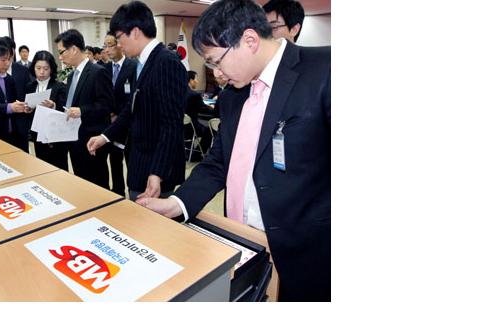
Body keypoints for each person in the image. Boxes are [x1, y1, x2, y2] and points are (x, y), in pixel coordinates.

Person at [136, 0, 330, 301]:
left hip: (308, 256)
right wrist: (176, 203)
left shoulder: (324, 70)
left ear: (249, 40)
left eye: (216, 61)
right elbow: (219, 161)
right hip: (244, 246)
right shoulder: (233, 96)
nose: (217, 73)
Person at [87, 1, 187, 201]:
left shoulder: (166, 62)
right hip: (139, 162)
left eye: (119, 38)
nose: (118, 44)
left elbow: (171, 124)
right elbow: (131, 109)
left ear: (134, 32)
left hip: (156, 169)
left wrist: (157, 172)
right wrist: (105, 137)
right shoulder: (141, 64)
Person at [55, 29, 113, 189]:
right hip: (74, 140)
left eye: (61, 52)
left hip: (91, 141)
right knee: (82, 184)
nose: (60, 57)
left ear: (74, 49)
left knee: (97, 186)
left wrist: (82, 111)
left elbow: (107, 105)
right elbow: (70, 103)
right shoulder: (71, 75)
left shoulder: (98, 72)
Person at [102, 32, 137, 195]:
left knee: (131, 161)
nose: (107, 49)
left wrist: (119, 115)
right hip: (110, 124)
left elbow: (133, 97)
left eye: (110, 45)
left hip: (128, 124)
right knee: (114, 160)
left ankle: (133, 191)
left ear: (120, 45)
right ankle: (118, 192)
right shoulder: (104, 69)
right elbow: (103, 95)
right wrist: (109, 113)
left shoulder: (133, 66)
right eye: (105, 46)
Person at [25, 50, 68, 170]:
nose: (42, 72)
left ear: (51, 69)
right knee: (42, 166)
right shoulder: (30, 86)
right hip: (37, 134)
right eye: (38, 68)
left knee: (59, 168)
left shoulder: (59, 86)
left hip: (55, 136)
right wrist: (28, 109)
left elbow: (65, 109)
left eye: (46, 68)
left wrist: (53, 106)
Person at [0, 36, 33, 153]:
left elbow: (29, 92)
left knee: (23, 155)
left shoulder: (22, 70)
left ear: (13, 51)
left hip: (21, 123)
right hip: (1, 125)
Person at [184, 70, 212, 156]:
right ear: (191, 80)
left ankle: (191, 152)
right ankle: (198, 155)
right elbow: (204, 109)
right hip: (191, 127)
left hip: (181, 126)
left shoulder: (179, 92)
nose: (197, 81)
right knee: (209, 131)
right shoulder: (194, 95)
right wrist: (212, 108)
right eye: (196, 79)